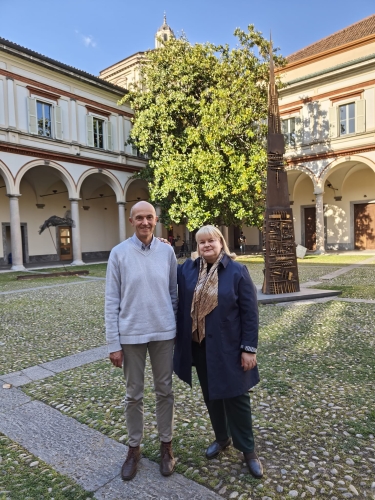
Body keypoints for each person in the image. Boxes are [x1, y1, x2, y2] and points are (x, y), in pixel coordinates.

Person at [173, 225, 263, 479]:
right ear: (197, 246)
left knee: (237, 397)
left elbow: (250, 313)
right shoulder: (187, 270)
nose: (206, 246)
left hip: (230, 348)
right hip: (200, 346)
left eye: (211, 240)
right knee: (212, 395)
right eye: (201, 242)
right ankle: (222, 438)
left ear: (221, 242)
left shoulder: (237, 271)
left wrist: (249, 349)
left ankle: (248, 451)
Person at [105, 201, 177, 481]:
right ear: (131, 220)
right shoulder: (119, 253)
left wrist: (175, 329)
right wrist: (114, 343)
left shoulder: (167, 251)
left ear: (156, 219)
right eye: (140, 218)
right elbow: (111, 300)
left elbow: (173, 293)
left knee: (165, 392)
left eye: (149, 217)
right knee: (133, 395)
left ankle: (166, 446)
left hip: (163, 333)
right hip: (131, 335)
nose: (145, 222)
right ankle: (133, 449)